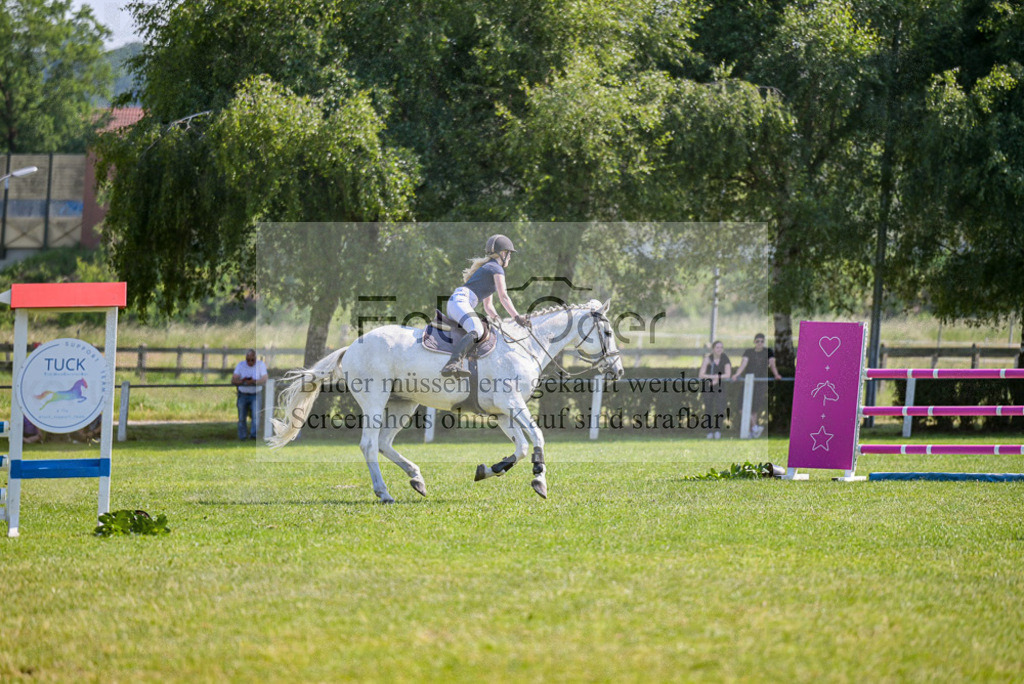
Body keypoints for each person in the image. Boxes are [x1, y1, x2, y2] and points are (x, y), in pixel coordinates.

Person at [441, 234, 531, 378]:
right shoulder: (496, 269)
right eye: (509, 254)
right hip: (460, 302)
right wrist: (516, 317)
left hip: (457, 302)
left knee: (479, 328)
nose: (510, 258)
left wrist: (498, 320)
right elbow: (504, 297)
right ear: (503, 254)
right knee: (477, 329)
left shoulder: (489, 268)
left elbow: (488, 306)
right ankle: (453, 363)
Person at [731, 332, 782, 438]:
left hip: (760, 383)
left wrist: (776, 374)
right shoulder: (748, 352)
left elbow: (772, 364)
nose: (760, 343)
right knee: (741, 406)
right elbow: (743, 364)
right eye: (758, 341)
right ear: (754, 342)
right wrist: (737, 374)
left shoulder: (768, 351)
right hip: (748, 382)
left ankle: (751, 432)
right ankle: (755, 427)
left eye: (762, 341)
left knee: (754, 409)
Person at [232, 349, 268, 440]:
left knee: (256, 417)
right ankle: (242, 436)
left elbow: (265, 378)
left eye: (252, 360)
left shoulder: (260, 365)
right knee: (241, 417)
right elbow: (234, 380)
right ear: (245, 358)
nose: (250, 362)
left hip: (255, 394)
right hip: (243, 394)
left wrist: (254, 382)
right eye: (248, 360)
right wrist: (242, 381)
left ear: (256, 358)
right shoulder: (241, 365)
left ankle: (254, 436)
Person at [698, 340, 731, 439]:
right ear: (713, 349)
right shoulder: (708, 359)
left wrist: (717, 378)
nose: (719, 349)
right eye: (717, 347)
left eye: (721, 347)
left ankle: (718, 430)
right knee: (708, 408)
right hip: (709, 386)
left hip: (720, 387)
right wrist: (713, 377)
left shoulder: (725, 359)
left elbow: (728, 374)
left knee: (720, 408)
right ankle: (709, 431)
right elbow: (701, 374)